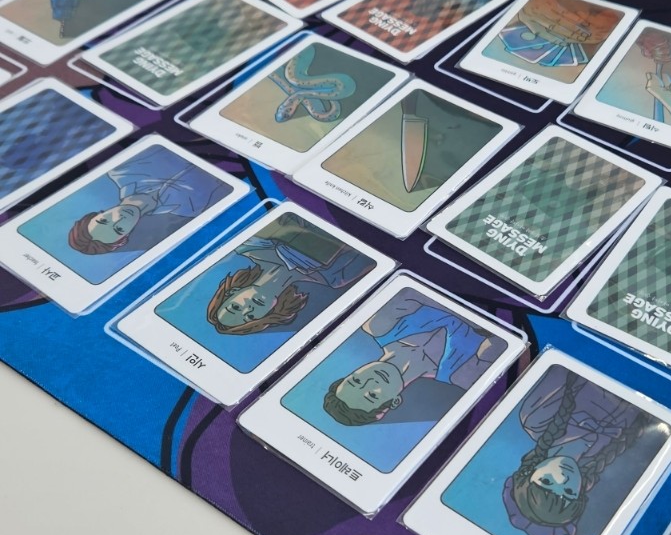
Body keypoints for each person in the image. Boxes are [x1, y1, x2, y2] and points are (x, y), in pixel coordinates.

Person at [502, 369, 650, 535]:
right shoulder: (618, 457)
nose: (563, 478)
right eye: (569, 491)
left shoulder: (536, 418)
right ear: (581, 491)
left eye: (547, 481)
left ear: (528, 472)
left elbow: (569, 366)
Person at [322, 286, 503, 425]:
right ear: (394, 402)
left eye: (355, 380)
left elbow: (416, 289)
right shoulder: (463, 375)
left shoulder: (378, 326)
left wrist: (478, 323)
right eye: (372, 395)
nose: (371, 381)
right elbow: (503, 337)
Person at [207, 215, 375, 335]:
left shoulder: (250, 245)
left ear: (231, 293)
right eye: (250, 317)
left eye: (235, 307)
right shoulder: (336, 278)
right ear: (266, 315)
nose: (249, 308)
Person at [67, 146, 230, 255]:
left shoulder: (122, 169)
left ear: (98, 213)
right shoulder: (192, 210)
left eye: (104, 220)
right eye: (119, 229)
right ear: (126, 236)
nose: (119, 218)